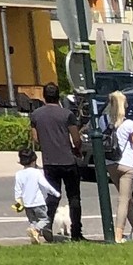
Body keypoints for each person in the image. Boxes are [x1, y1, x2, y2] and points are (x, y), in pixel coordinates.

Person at [27, 82, 86, 240]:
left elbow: (35, 137)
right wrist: (76, 149)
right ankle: (76, 232)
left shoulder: (36, 115)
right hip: (68, 160)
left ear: (44, 96)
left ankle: (47, 224)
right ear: (58, 96)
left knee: (52, 196)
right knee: (74, 197)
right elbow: (76, 138)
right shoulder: (67, 114)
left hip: (49, 161)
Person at [109, 90, 133, 241]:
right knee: (124, 200)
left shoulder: (104, 122)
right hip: (127, 163)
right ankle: (118, 235)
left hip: (111, 163)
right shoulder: (129, 124)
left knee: (127, 200)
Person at [12, 145, 61, 243]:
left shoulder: (19, 174)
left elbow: (17, 189)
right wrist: (55, 193)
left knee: (32, 221)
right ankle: (36, 230)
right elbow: (45, 185)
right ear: (34, 161)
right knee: (45, 220)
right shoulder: (37, 172)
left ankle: (35, 237)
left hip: (27, 204)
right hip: (38, 202)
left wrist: (18, 199)